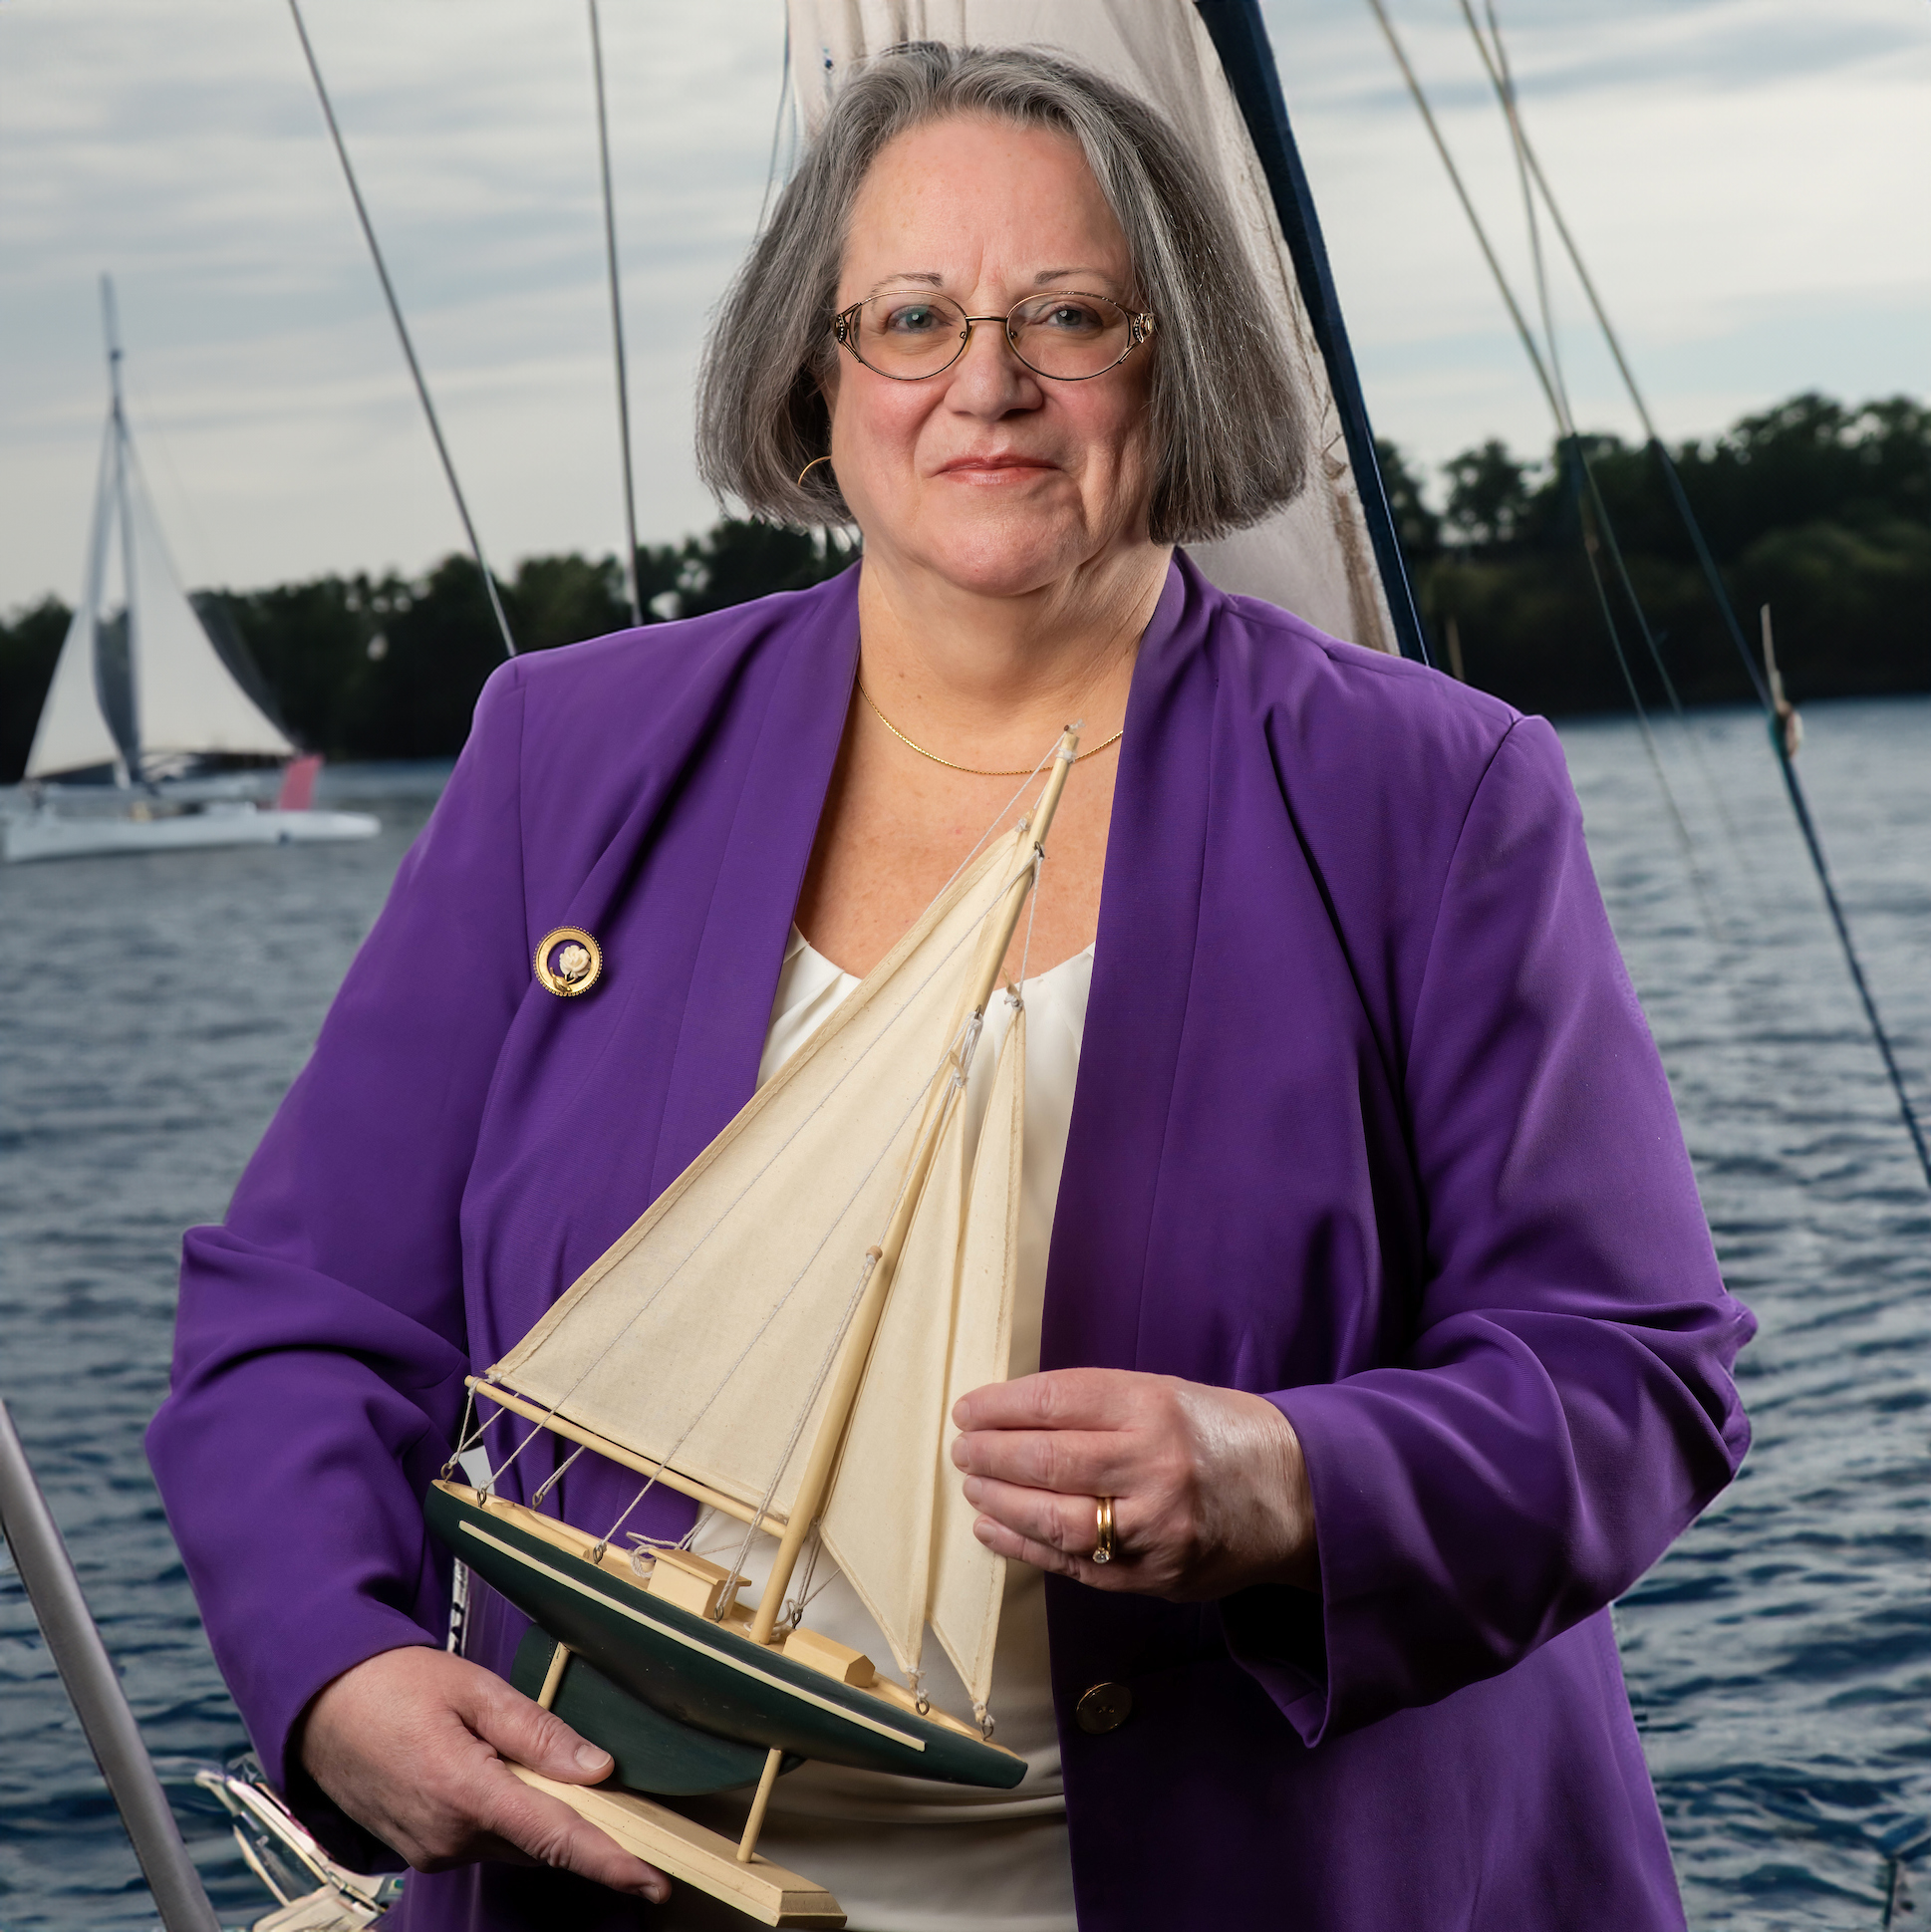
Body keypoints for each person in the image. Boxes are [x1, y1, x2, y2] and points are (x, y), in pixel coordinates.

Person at [149, 42, 1753, 1932]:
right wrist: (334, 1674)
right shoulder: (563, 753)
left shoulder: (1431, 792)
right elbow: (303, 1318)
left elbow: (1630, 1374)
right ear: (815, 380)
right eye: (911, 316)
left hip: (1292, 1878)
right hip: (619, 1877)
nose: (985, 380)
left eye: (1070, 314)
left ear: (1182, 361)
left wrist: (1290, 1473)